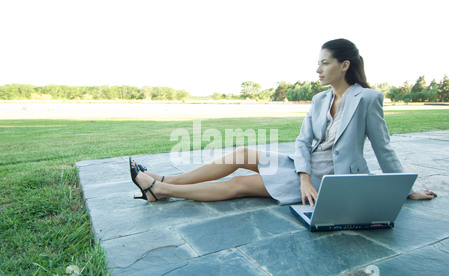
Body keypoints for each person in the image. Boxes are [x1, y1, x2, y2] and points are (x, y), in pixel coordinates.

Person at [130, 38, 437, 204]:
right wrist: (302, 174)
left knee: (239, 185)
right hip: (303, 169)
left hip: (327, 182)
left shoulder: (368, 99)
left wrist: (406, 188)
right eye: (317, 63)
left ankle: (161, 190)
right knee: (241, 154)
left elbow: (384, 149)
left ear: (344, 65)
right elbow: (304, 142)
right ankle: (164, 181)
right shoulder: (319, 100)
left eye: (324, 63)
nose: (318, 69)